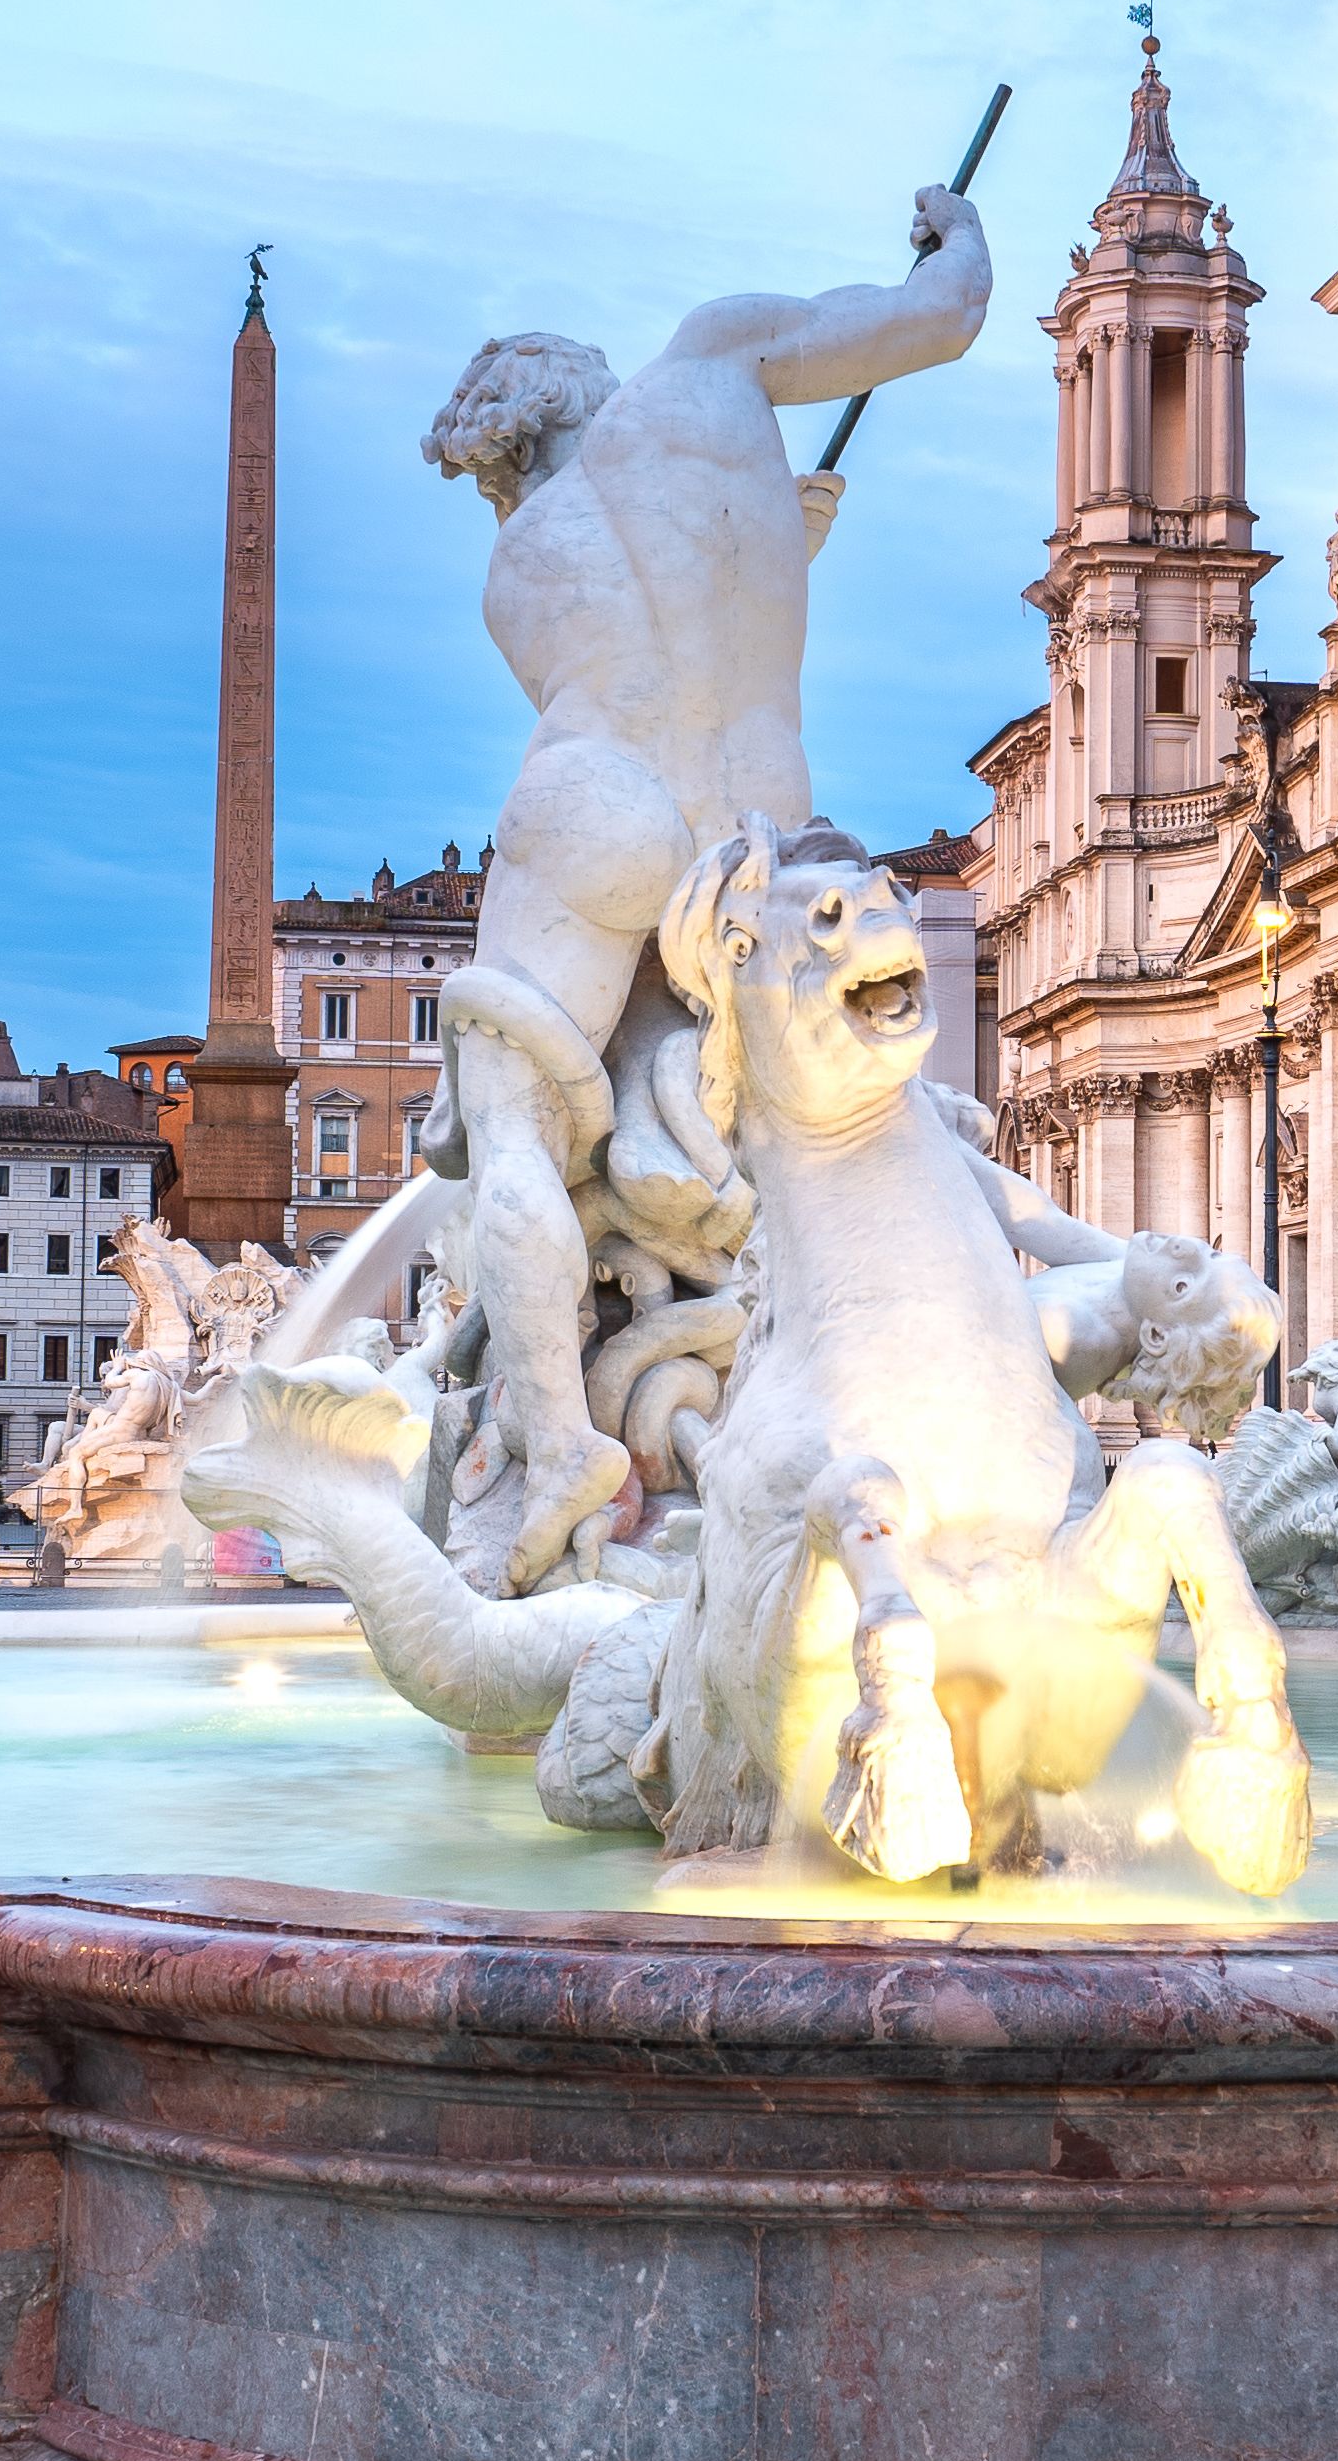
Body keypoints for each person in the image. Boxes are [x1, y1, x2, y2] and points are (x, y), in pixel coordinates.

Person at [417, 181, 993, 1587]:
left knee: (512, 1128)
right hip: (751, 827)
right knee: (781, 1139)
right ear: (587, 379)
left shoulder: (514, 562)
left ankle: (560, 1442)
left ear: (509, 450)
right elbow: (944, 317)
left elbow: (622, 661)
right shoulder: (717, 364)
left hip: (594, 806)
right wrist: (954, 226)